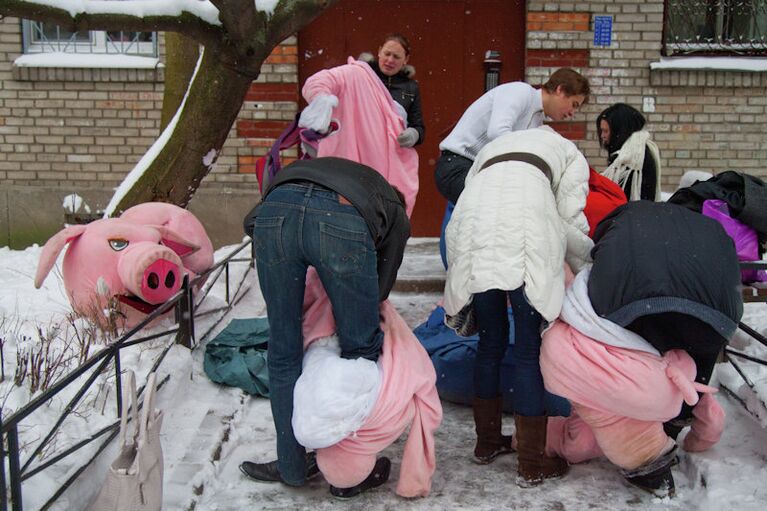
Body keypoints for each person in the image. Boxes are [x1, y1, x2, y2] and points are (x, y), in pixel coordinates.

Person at [540, 201, 743, 497]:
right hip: (716, 313)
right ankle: (681, 422)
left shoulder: (624, 219)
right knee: (692, 371)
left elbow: (597, 260)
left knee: (637, 361)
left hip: (636, 303)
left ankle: (654, 427)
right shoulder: (710, 228)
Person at [239, 156, 410, 495]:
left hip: (276, 210)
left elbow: (251, 223)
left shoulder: (345, 174)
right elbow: (379, 291)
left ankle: (291, 466)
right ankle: (347, 470)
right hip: (340, 218)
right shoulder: (395, 212)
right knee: (360, 350)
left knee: (284, 349)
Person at [442, 126, 593, 484]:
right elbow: (570, 218)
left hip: (475, 228)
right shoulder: (568, 152)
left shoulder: (493, 147)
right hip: (527, 228)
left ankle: (487, 443)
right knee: (528, 349)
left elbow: (468, 199)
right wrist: (586, 265)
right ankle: (531, 462)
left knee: (490, 341)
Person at [435, 68, 590, 205]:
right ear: (560, 90)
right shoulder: (520, 92)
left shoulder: (536, 119)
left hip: (476, 167)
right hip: (458, 164)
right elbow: (497, 132)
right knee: (498, 210)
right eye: (574, 104)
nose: (572, 113)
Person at [359, 33, 425, 147]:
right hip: (361, 145)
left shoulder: (411, 87)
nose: (390, 60)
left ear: (406, 59)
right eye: (387, 54)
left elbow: (418, 125)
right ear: (379, 51)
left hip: (393, 150)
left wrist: (414, 134)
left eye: (396, 57)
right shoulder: (362, 75)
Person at [596, 103, 661, 201]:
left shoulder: (629, 159)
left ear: (619, 132)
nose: (602, 136)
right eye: (601, 131)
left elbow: (618, 194)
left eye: (606, 131)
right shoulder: (638, 151)